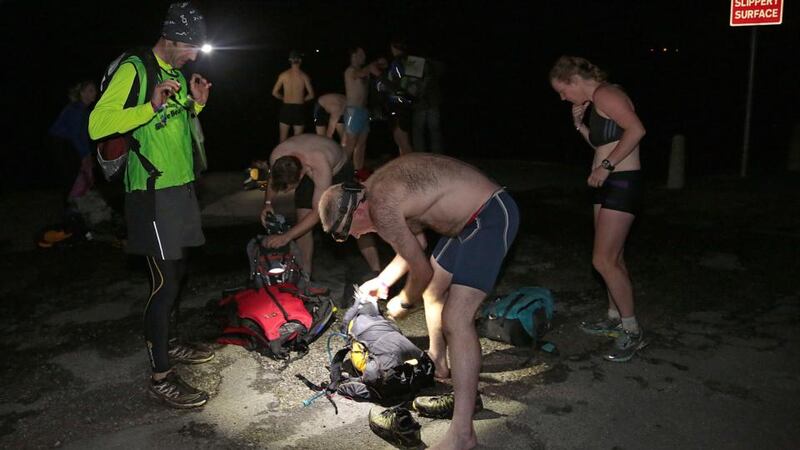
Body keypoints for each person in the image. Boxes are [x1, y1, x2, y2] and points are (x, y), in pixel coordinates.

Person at [319, 153, 519, 450]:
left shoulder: (382, 208)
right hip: (466, 223)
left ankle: (463, 435)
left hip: (490, 215)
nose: (357, 236)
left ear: (356, 212)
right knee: (435, 291)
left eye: (349, 232)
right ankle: (438, 360)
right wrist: (383, 282)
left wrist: (403, 301)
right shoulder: (377, 193)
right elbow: (416, 248)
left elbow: (420, 270)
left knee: (456, 319)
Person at [88, 2, 214, 408]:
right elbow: (97, 124)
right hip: (151, 193)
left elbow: (172, 123)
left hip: (180, 189)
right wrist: (150, 105)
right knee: (163, 284)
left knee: (179, 272)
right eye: (190, 47)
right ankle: (160, 377)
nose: (194, 55)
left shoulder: (174, 73)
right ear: (172, 37)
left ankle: (171, 342)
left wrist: (195, 104)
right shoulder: (136, 70)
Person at [549, 55, 647, 362]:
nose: (563, 97)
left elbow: (636, 130)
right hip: (607, 182)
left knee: (603, 260)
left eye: (563, 90)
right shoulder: (595, 102)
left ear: (575, 80)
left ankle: (632, 331)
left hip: (622, 182)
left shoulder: (607, 93)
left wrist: (606, 166)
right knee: (612, 257)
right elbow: (602, 143)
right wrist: (579, 124)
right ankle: (613, 316)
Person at [260, 134, 381, 278]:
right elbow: (274, 179)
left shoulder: (319, 164)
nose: (286, 192)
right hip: (307, 165)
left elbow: (318, 212)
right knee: (302, 221)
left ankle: (376, 271)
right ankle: (305, 275)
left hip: (339, 170)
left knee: (357, 220)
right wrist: (267, 204)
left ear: (300, 175)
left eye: (289, 188)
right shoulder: (278, 156)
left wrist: (286, 236)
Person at [49, 80, 98, 209]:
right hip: (62, 143)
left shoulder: (85, 110)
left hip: (70, 143)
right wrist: (84, 155)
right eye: (90, 90)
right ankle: (69, 207)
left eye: (94, 90)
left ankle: (77, 204)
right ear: (82, 93)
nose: (94, 93)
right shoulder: (75, 109)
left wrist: (88, 154)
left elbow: (84, 135)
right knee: (71, 175)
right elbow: (75, 135)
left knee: (80, 173)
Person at [343, 46, 384, 177]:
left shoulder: (364, 72)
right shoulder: (350, 71)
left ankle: (358, 171)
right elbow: (360, 73)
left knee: (361, 144)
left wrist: (379, 64)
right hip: (352, 112)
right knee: (350, 145)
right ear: (354, 56)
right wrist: (374, 64)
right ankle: (340, 172)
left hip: (364, 111)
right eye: (361, 54)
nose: (364, 57)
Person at [272, 50, 315, 142]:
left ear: (290, 60)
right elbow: (311, 95)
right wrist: (302, 99)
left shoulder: (283, 75)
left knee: (282, 139)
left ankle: (282, 156)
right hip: (299, 109)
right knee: (297, 141)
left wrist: (283, 98)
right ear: (300, 60)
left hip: (286, 108)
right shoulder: (304, 76)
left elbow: (274, 93)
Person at [411, 58, 444, 153]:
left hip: (425, 103)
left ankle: (425, 157)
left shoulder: (416, 61)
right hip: (428, 102)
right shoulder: (433, 63)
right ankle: (435, 156)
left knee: (421, 132)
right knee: (433, 132)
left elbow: (413, 85)